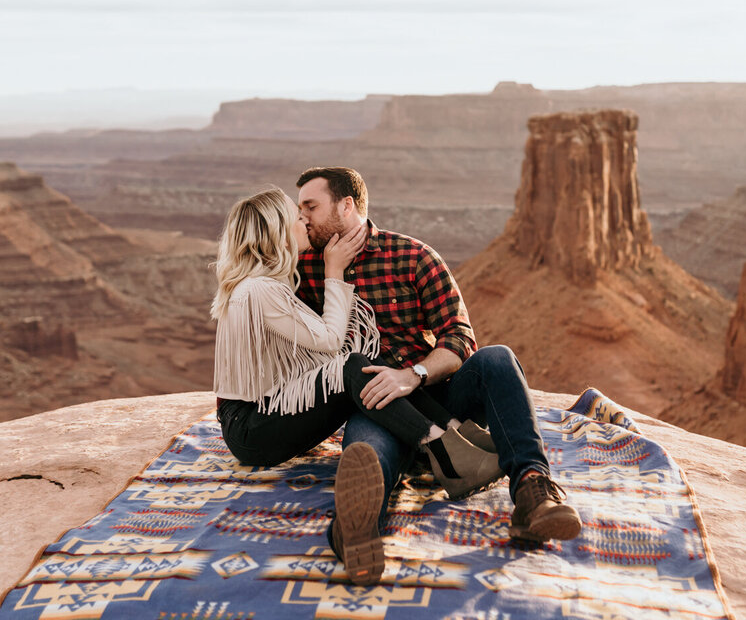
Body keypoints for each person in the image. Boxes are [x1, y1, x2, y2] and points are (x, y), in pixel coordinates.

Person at [210, 187, 500, 586]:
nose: (304, 221)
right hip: (251, 429)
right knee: (353, 365)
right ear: (276, 231)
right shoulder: (261, 291)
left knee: (370, 364)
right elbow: (330, 341)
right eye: (296, 217)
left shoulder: (258, 285)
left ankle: (454, 440)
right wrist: (333, 271)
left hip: (256, 418)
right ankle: (442, 445)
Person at [295, 167, 582, 550]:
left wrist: (413, 374)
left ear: (346, 206)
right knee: (364, 459)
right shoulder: (306, 269)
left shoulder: (413, 256)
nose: (302, 218)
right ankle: (356, 533)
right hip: (374, 408)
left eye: (310, 207)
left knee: (497, 359)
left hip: (438, 398)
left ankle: (534, 492)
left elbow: (460, 338)